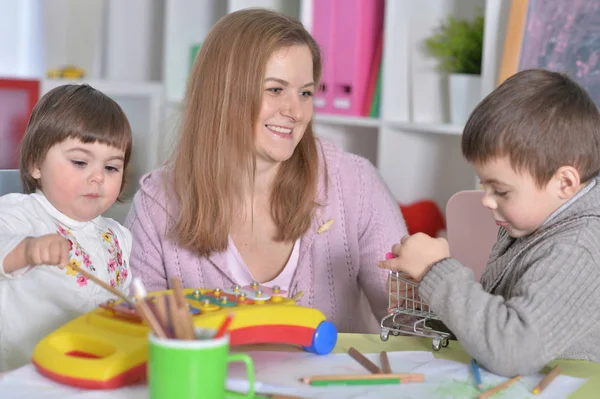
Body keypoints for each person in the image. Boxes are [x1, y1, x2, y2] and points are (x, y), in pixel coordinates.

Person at [125, 9, 407, 333]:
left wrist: (432, 282)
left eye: (305, 92)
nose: (296, 111)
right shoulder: (155, 206)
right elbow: (137, 339)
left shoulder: (353, 183)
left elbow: (412, 327)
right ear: (222, 94)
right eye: (275, 90)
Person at [378, 69, 600, 376]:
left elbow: (511, 351)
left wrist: (437, 271)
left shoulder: (577, 251)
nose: (487, 200)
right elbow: (492, 322)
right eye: (484, 186)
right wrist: (433, 293)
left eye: (501, 190)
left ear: (564, 183)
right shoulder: (532, 222)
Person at [0, 84, 134, 371]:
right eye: (80, 162)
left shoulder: (118, 237)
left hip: (91, 372)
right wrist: (27, 250)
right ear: (36, 163)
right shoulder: (18, 213)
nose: (98, 177)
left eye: (111, 168)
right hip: (23, 381)